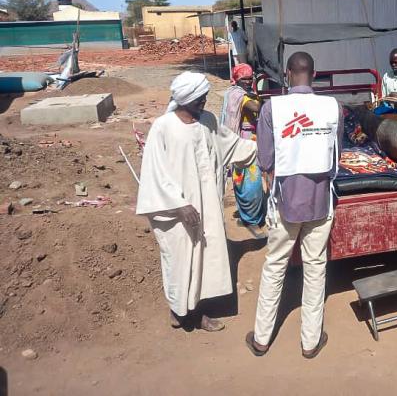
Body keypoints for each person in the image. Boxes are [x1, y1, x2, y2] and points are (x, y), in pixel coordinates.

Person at [136, 72, 257, 331]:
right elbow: (154, 173)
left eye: (204, 96)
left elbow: (231, 146)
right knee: (180, 262)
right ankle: (179, 311)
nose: (204, 101)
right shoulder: (163, 127)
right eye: (199, 97)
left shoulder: (208, 121)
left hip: (207, 206)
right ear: (185, 98)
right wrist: (179, 206)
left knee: (204, 257)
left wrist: (265, 148)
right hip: (176, 211)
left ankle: (196, 312)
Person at [246, 51, 343, 359]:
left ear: (287, 74)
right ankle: (310, 341)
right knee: (315, 267)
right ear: (314, 75)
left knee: (275, 265)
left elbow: (265, 159)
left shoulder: (272, 108)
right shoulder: (332, 107)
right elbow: (336, 156)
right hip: (320, 202)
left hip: (284, 201)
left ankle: (261, 339)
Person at [220, 63, 266, 232]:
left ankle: (249, 214)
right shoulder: (239, 95)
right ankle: (252, 220)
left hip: (251, 138)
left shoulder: (245, 94)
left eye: (250, 78)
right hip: (244, 141)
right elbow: (257, 108)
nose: (248, 82)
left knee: (245, 179)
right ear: (237, 79)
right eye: (244, 79)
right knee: (250, 181)